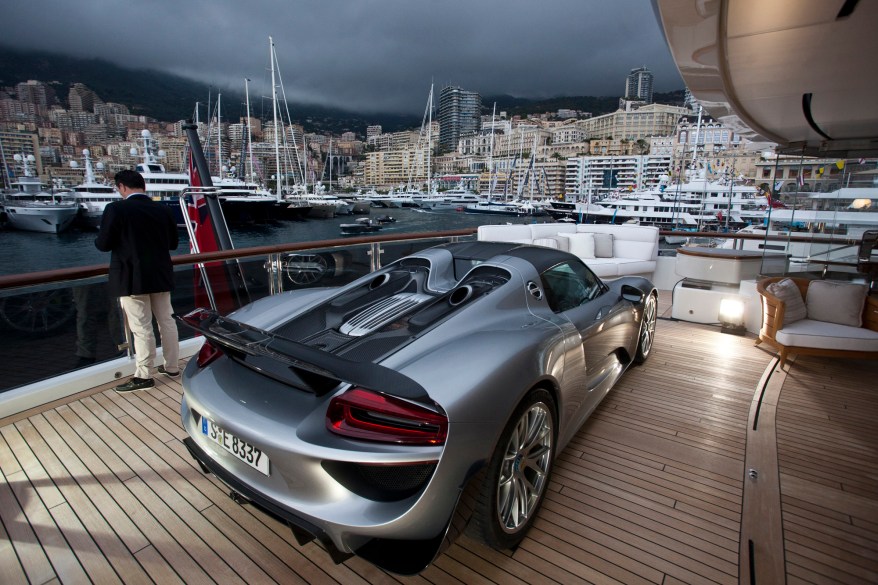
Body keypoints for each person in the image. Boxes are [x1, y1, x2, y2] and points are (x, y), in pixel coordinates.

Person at [95, 169, 180, 392]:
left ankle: (143, 375)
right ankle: (171, 367)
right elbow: (173, 244)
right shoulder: (162, 209)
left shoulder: (116, 209)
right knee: (166, 321)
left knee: (141, 328)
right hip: (160, 274)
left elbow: (103, 244)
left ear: (122, 187)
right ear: (143, 187)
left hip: (131, 277)